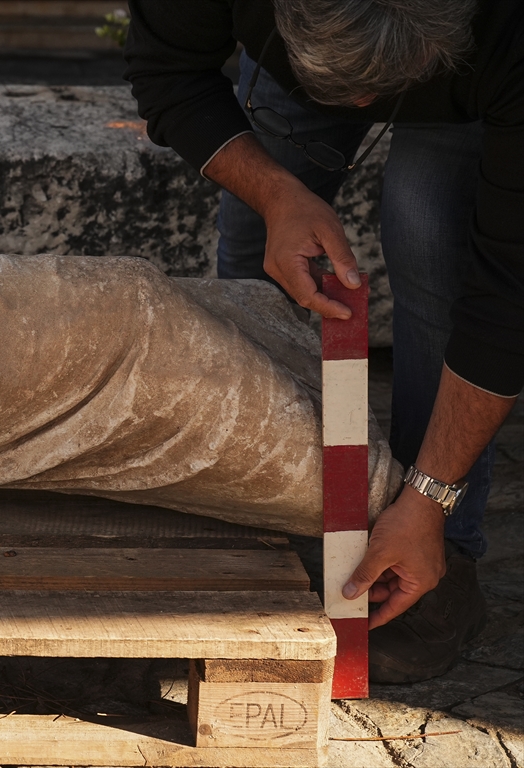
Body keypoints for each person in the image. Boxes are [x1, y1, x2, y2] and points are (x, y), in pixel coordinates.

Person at [123, 0, 522, 683]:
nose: (363, 104)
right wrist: (276, 195)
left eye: (381, 85)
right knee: (255, 256)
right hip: (294, 56)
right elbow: (168, 74)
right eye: (347, 85)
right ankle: (246, 510)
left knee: (432, 241)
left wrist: (429, 500)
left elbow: (505, 296)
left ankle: (438, 547)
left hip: (472, 74)